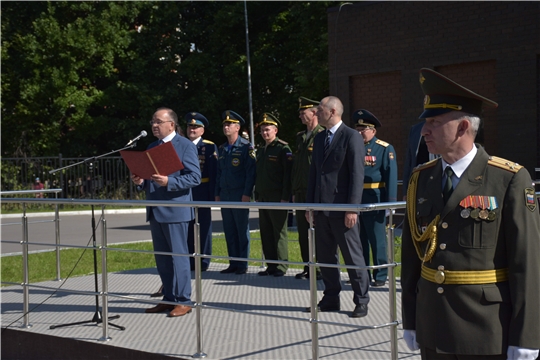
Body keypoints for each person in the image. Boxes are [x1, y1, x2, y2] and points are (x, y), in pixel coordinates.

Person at [401, 68, 540, 359]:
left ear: (463, 127)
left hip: (484, 329)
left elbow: (526, 264)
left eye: (434, 122)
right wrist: (411, 319)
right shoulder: (420, 178)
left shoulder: (508, 179)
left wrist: (526, 335)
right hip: (432, 325)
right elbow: (412, 257)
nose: (424, 131)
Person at [131, 107, 201, 317]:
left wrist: (170, 181)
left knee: (178, 257)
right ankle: (168, 298)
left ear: (171, 124)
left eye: (158, 122)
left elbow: (194, 177)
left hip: (176, 210)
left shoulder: (185, 145)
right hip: (156, 209)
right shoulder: (152, 146)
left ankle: (183, 300)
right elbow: (148, 178)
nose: (154, 125)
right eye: (153, 122)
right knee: (162, 258)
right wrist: (140, 181)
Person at [305, 96, 370, 318]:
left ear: (332, 111)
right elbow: (314, 174)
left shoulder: (351, 136)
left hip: (343, 210)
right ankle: (331, 297)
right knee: (325, 257)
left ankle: (361, 300)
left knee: (353, 256)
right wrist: (310, 206)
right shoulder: (320, 137)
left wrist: (353, 208)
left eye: (319, 110)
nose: (316, 113)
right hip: (322, 209)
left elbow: (356, 175)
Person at [353, 109, 397, 287]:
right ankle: (361, 273)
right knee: (358, 240)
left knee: (377, 239)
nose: (360, 132)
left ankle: (380, 275)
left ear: (373, 131)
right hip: (356, 200)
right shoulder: (352, 146)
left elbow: (391, 177)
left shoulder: (384, 148)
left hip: (375, 198)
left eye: (364, 129)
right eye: (357, 129)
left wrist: (390, 204)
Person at [215, 110, 256, 275]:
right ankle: (233, 262)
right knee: (229, 230)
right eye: (224, 124)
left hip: (240, 195)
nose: (226, 127)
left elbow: (250, 173)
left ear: (237, 127)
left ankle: (243, 264)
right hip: (225, 195)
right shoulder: (223, 148)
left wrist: (247, 194)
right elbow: (219, 173)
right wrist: (217, 193)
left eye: (229, 124)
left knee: (241, 230)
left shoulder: (246, 147)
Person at [254, 113, 293, 277]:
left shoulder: (283, 148)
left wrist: (285, 197)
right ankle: (270, 265)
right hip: (263, 197)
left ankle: (281, 265)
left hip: (277, 197)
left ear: (275, 130)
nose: (265, 133)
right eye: (262, 130)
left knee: (279, 232)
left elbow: (287, 175)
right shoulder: (262, 150)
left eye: (267, 130)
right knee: (266, 232)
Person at [292, 96, 324, 280]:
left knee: (318, 231)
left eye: (303, 113)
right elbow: (297, 166)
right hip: (301, 191)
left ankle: (319, 267)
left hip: (316, 192)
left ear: (314, 113)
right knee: (303, 232)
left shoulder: (322, 134)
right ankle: (307, 266)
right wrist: (294, 190)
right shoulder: (300, 137)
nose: (301, 116)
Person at [185, 112, 218, 272]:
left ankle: (203, 260)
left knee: (203, 227)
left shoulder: (209, 146)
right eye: (190, 126)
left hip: (202, 190)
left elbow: (213, 172)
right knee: (187, 226)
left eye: (196, 127)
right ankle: (189, 259)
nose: (192, 129)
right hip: (185, 191)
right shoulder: (181, 145)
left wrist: (212, 196)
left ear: (202, 130)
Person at [402, 120, 439, 199]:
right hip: (417, 181)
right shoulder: (415, 129)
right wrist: (406, 190)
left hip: (436, 179)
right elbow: (409, 160)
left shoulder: (440, 126)